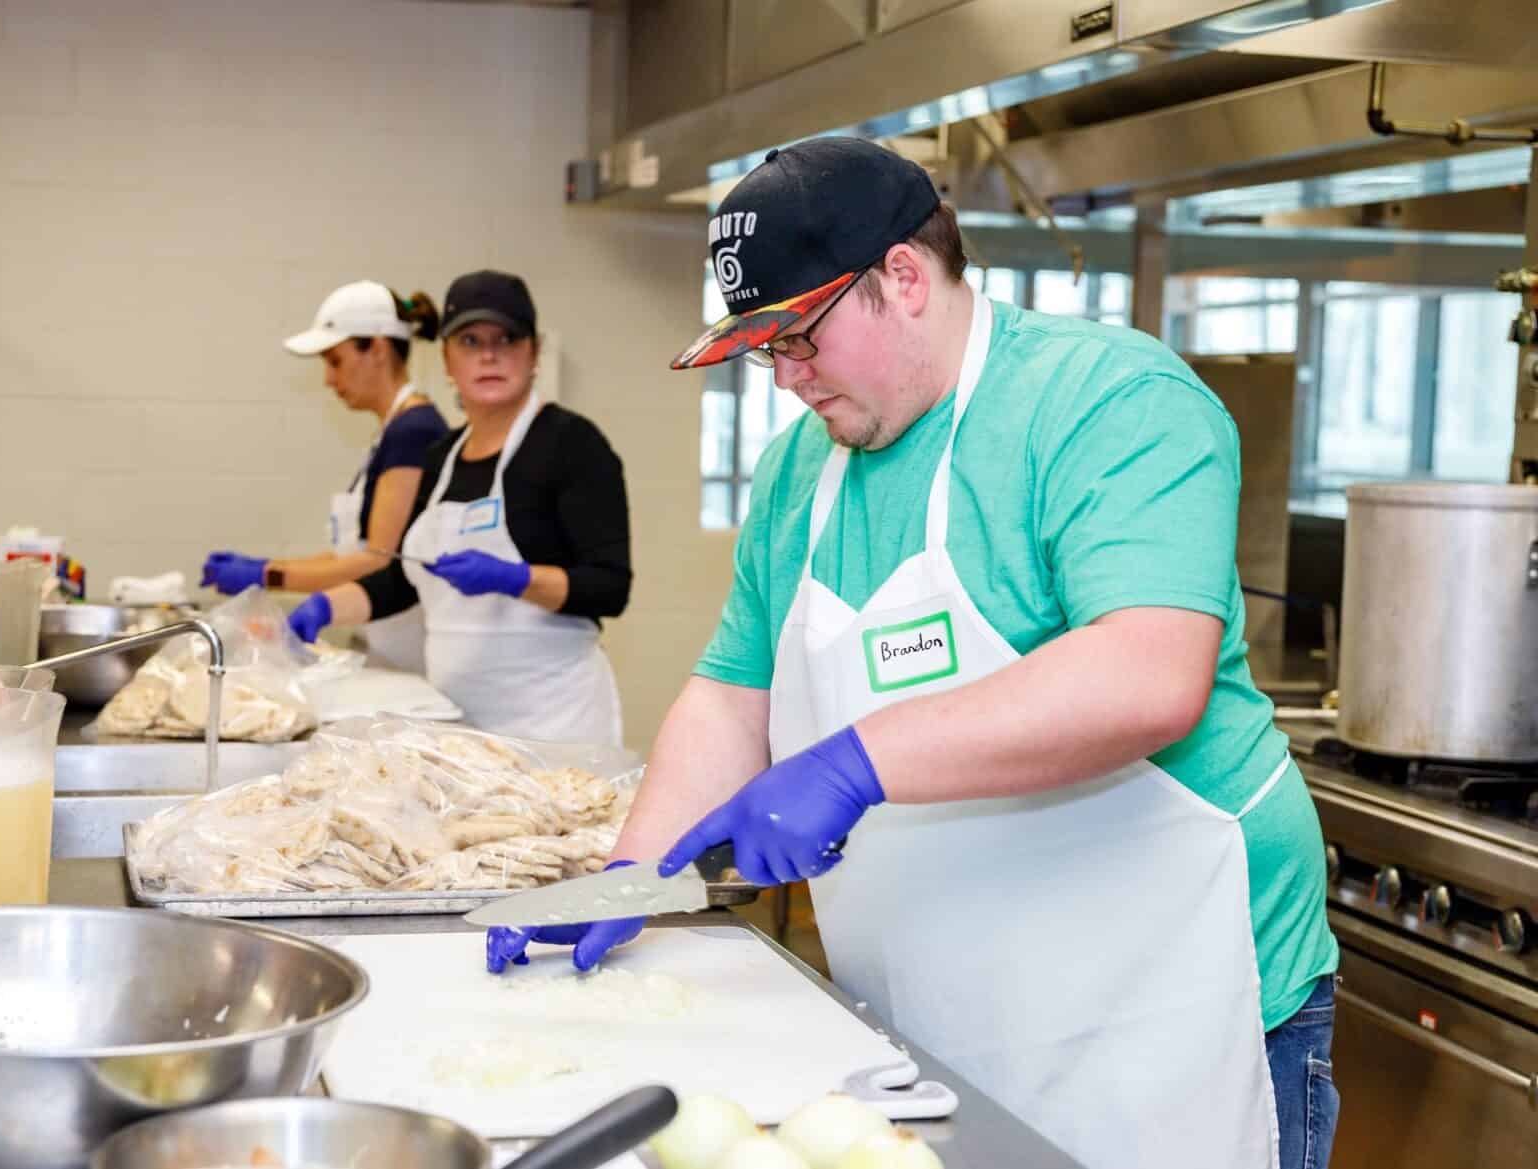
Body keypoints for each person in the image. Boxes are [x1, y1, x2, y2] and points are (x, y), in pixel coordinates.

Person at [487, 139, 1339, 1169]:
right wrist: (628, 876)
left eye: (800, 336)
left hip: (1168, 1011)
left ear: (902, 276)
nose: (786, 379)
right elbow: (731, 696)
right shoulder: (803, 466)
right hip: (934, 1017)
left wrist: (854, 761)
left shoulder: (1107, 401)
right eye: (763, 352)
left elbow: (1146, 672)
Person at [286, 271, 631, 745]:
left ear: (533, 353)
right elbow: (403, 579)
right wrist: (327, 606)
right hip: (457, 725)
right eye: (470, 341)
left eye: (506, 339)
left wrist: (515, 578)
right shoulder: (441, 456)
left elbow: (609, 587)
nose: (488, 355)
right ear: (447, 358)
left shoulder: (571, 444)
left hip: (552, 723)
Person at [199, 281, 447, 672]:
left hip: (405, 650)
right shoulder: (393, 432)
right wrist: (265, 564)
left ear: (378, 349)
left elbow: (377, 563)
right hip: (380, 639)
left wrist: (270, 575)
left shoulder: (414, 432)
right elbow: (352, 552)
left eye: (335, 361)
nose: (329, 380)